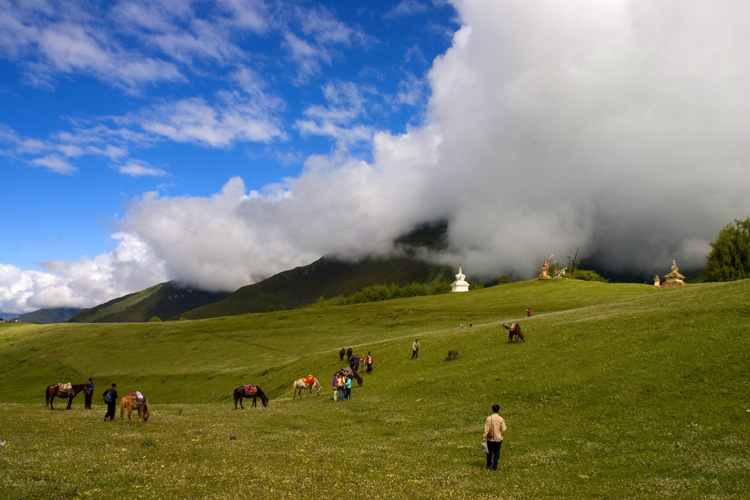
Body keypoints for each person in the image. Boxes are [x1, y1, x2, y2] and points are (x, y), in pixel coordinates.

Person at [483, 404, 507, 471]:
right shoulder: (501, 419)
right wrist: (501, 434)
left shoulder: (489, 418)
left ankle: (489, 464)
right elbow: (504, 429)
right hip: (498, 438)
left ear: (492, 410)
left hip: (490, 439)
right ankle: (494, 467)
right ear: (498, 410)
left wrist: (484, 436)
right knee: (497, 453)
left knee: (489, 452)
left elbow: (486, 429)